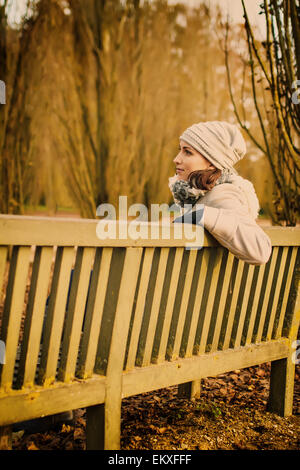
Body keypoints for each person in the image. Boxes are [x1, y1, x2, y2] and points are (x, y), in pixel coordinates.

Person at [168, 121, 272, 265]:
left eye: (188, 152)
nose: (177, 159)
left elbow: (260, 251)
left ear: (212, 162)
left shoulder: (222, 194)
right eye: (180, 150)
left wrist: (202, 214)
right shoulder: (202, 194)